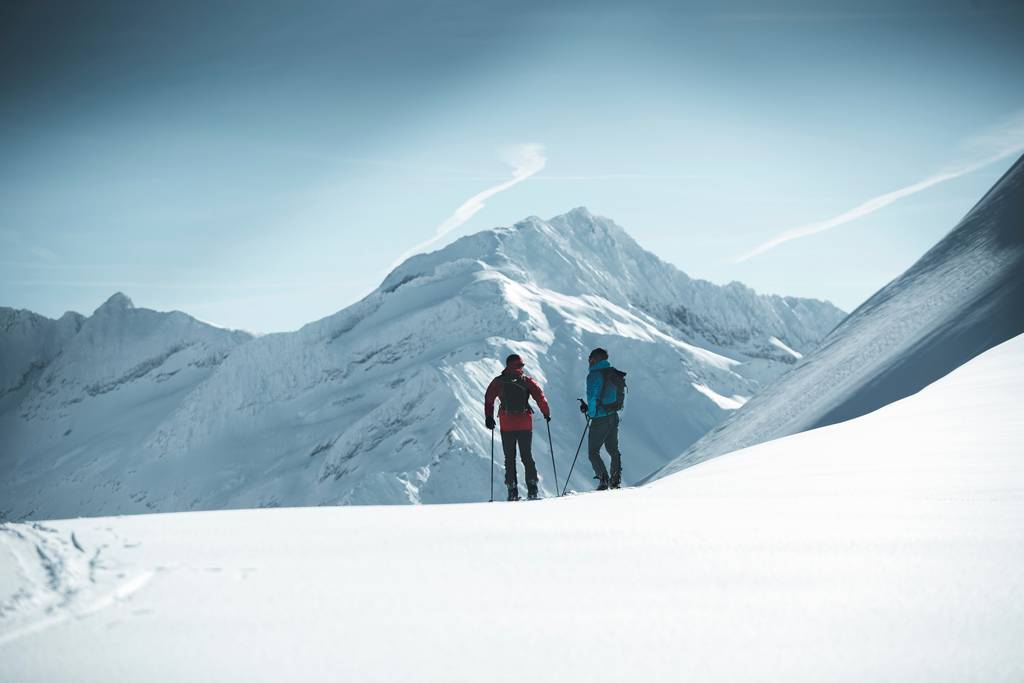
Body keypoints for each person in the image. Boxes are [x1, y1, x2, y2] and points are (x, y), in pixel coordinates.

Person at [484, 354, 551, 501]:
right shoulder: (526, 381)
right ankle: (532, 487)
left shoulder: (498, 381)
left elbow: (489, 399)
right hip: (524, 423)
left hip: (506, 423)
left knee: (509, 458)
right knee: (526, 456)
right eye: (521, 366)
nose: (521, 368)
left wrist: (488, 417)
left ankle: (512, 490)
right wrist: (546, 413)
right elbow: (540, 396)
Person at [579, 347, 624, 490]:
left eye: (590, 359)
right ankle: (615, 480)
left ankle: (603, 479)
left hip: (600, 419)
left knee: (593, 452)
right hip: (613, 415)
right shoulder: (612, 372)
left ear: (594, 359)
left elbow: (592, 397)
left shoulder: (593, 375)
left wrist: (590, 413)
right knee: (613, 450)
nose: (589, 362)